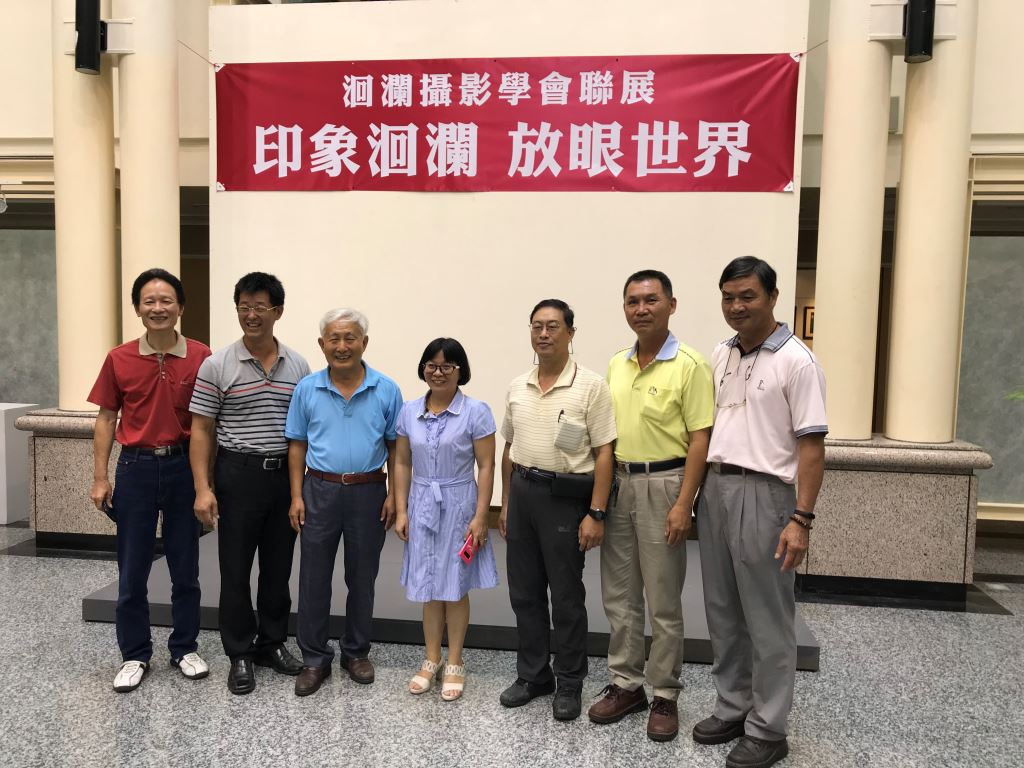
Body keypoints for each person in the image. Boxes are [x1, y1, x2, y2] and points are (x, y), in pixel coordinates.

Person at [693, 256, 827, 768]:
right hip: (717, 488)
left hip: (767, 494)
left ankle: (769, 728)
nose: (736, 306)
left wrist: (801, 519)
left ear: (772, 297)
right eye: (728, 297)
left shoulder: (798, 361)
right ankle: (734, 706)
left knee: (768, 617)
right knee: (723, 609)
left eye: (747, 296)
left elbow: (812, 448)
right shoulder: (721, 353)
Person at [589, 269, 714, 741]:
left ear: (671, 305)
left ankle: (664, 693)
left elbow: (700, 439)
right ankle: (626, 684)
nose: (641, 309)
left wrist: (685, 503)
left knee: (662, 598)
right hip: (620, 483)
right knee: (619, 594)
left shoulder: (690, 364)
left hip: (665, 484)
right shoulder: (617, 364)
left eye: (651, 300)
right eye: (633, 301)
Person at [88, 268, 212, 693]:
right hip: (135, 469)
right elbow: (106, 418)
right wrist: (100, 477)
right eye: (149, 301)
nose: (158, 308)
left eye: (166, 301)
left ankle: (184, 647)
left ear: (181, 307)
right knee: (132, 569)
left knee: (186, 567)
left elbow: (207, 424)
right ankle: (135, 654)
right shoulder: (118, 358)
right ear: (138, 309)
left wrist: (206, 484)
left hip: (183, 468)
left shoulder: (202, 357)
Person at [188, 272, 311, 695]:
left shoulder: (298, 366)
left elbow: (302, 432)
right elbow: (201, 429)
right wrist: (203, 488)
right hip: (237, 475)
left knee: (278, 568)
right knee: (236, 570)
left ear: (278, 311)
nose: (251, 314)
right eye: (244, 306)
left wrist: (298, 490)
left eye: (260, 306)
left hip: (283, 477)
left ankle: (271, 644)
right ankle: (239, 652)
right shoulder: (217, 364)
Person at [497, 299, 616, 721]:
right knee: (524, 593)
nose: (543, 334)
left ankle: (569, 681)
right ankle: (533, 675)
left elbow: (605, 453)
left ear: (570, 333)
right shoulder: (518, 385)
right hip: (523, 493)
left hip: (565, 499)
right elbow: (509, 447)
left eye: (552, 326)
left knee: (565, 596)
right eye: (536, 326)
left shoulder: (591, 386)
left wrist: (596, 513)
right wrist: (506, 504)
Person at [284, 308, 403, 697]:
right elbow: (297, 445)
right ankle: (314, 658)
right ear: (322, 345)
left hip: (369, 492)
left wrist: (395, 495)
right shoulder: (307, 389)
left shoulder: (386, 389)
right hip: (319, 490)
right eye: (334, 338)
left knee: (362, 577)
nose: (342, 346)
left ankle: (356, 652)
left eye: (350, 338)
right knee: (313, 577)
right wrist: (296, 495)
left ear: (364, 343)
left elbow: (396, 448)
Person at [393, 338, 498, 701]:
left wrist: (481, 515)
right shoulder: (408, 411)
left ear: (460, 371)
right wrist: (402, 509)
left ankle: (455, 660)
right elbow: (402, 462)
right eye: (432, 365)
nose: (438, 372)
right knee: (428, 584)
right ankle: (431, 658)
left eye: (447, 366)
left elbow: (487, 466)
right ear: (423, 368)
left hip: (459, 505)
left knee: (454, 585)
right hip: (422, 502)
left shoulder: (476, 411)